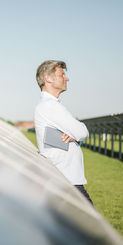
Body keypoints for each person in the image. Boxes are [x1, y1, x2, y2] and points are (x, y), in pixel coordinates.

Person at [34, 60, 93, 205]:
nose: (67, 78)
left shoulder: (50, 106)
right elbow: (82, 131)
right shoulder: (50, 106)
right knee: (90, 225)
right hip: (65, 182)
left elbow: (77, 135)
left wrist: (74, 137)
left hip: (64, 179)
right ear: (48, 78)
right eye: (62, 75)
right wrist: (76, 136)